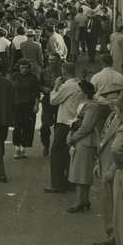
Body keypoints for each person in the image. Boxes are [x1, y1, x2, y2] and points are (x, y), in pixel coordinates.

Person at [95, 85, 123, 245]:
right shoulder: (112, 116)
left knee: (117, 207)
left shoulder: (120, 119)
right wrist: (98, 163)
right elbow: (103, 139)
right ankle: (111, 235)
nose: (110, 102)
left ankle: (119, 243)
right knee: (108, 204)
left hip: (114, 168)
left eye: (113, 99)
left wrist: (113, 168)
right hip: (105, 164)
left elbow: (118, 149)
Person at [47, 63, 83, 193]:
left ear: (64, 71)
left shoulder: (67, 86)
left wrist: (56, 86)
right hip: (75, 121)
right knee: (69, 153)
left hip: (64, 122)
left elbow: (53, 100)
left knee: (56, 153)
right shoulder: (79, 84)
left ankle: (57, 183)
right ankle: (70, 181)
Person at [67, 79, 100, 213]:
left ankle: (80, 201)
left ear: (85, 92)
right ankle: (83, 200)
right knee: (80, 171)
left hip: (85, 141)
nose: (78, 93)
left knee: (81, 172)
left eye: (79, 91)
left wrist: (73, 138)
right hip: (82, 141)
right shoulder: (85, 104)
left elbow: (86, 127)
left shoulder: (92, 106)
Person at [10, 58, 41, 159]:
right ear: (19, 68)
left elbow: (37, 92)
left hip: (29, 105)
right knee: (17, 126)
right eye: (22, 68)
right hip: (17, 105)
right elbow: (10, 90)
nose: (24, 70)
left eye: (26, 68)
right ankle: (17, 147)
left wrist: (36, 105)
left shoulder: (33, 78)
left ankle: (24, 147)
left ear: (29, 68)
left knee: (28, 126)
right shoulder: (15, 76)